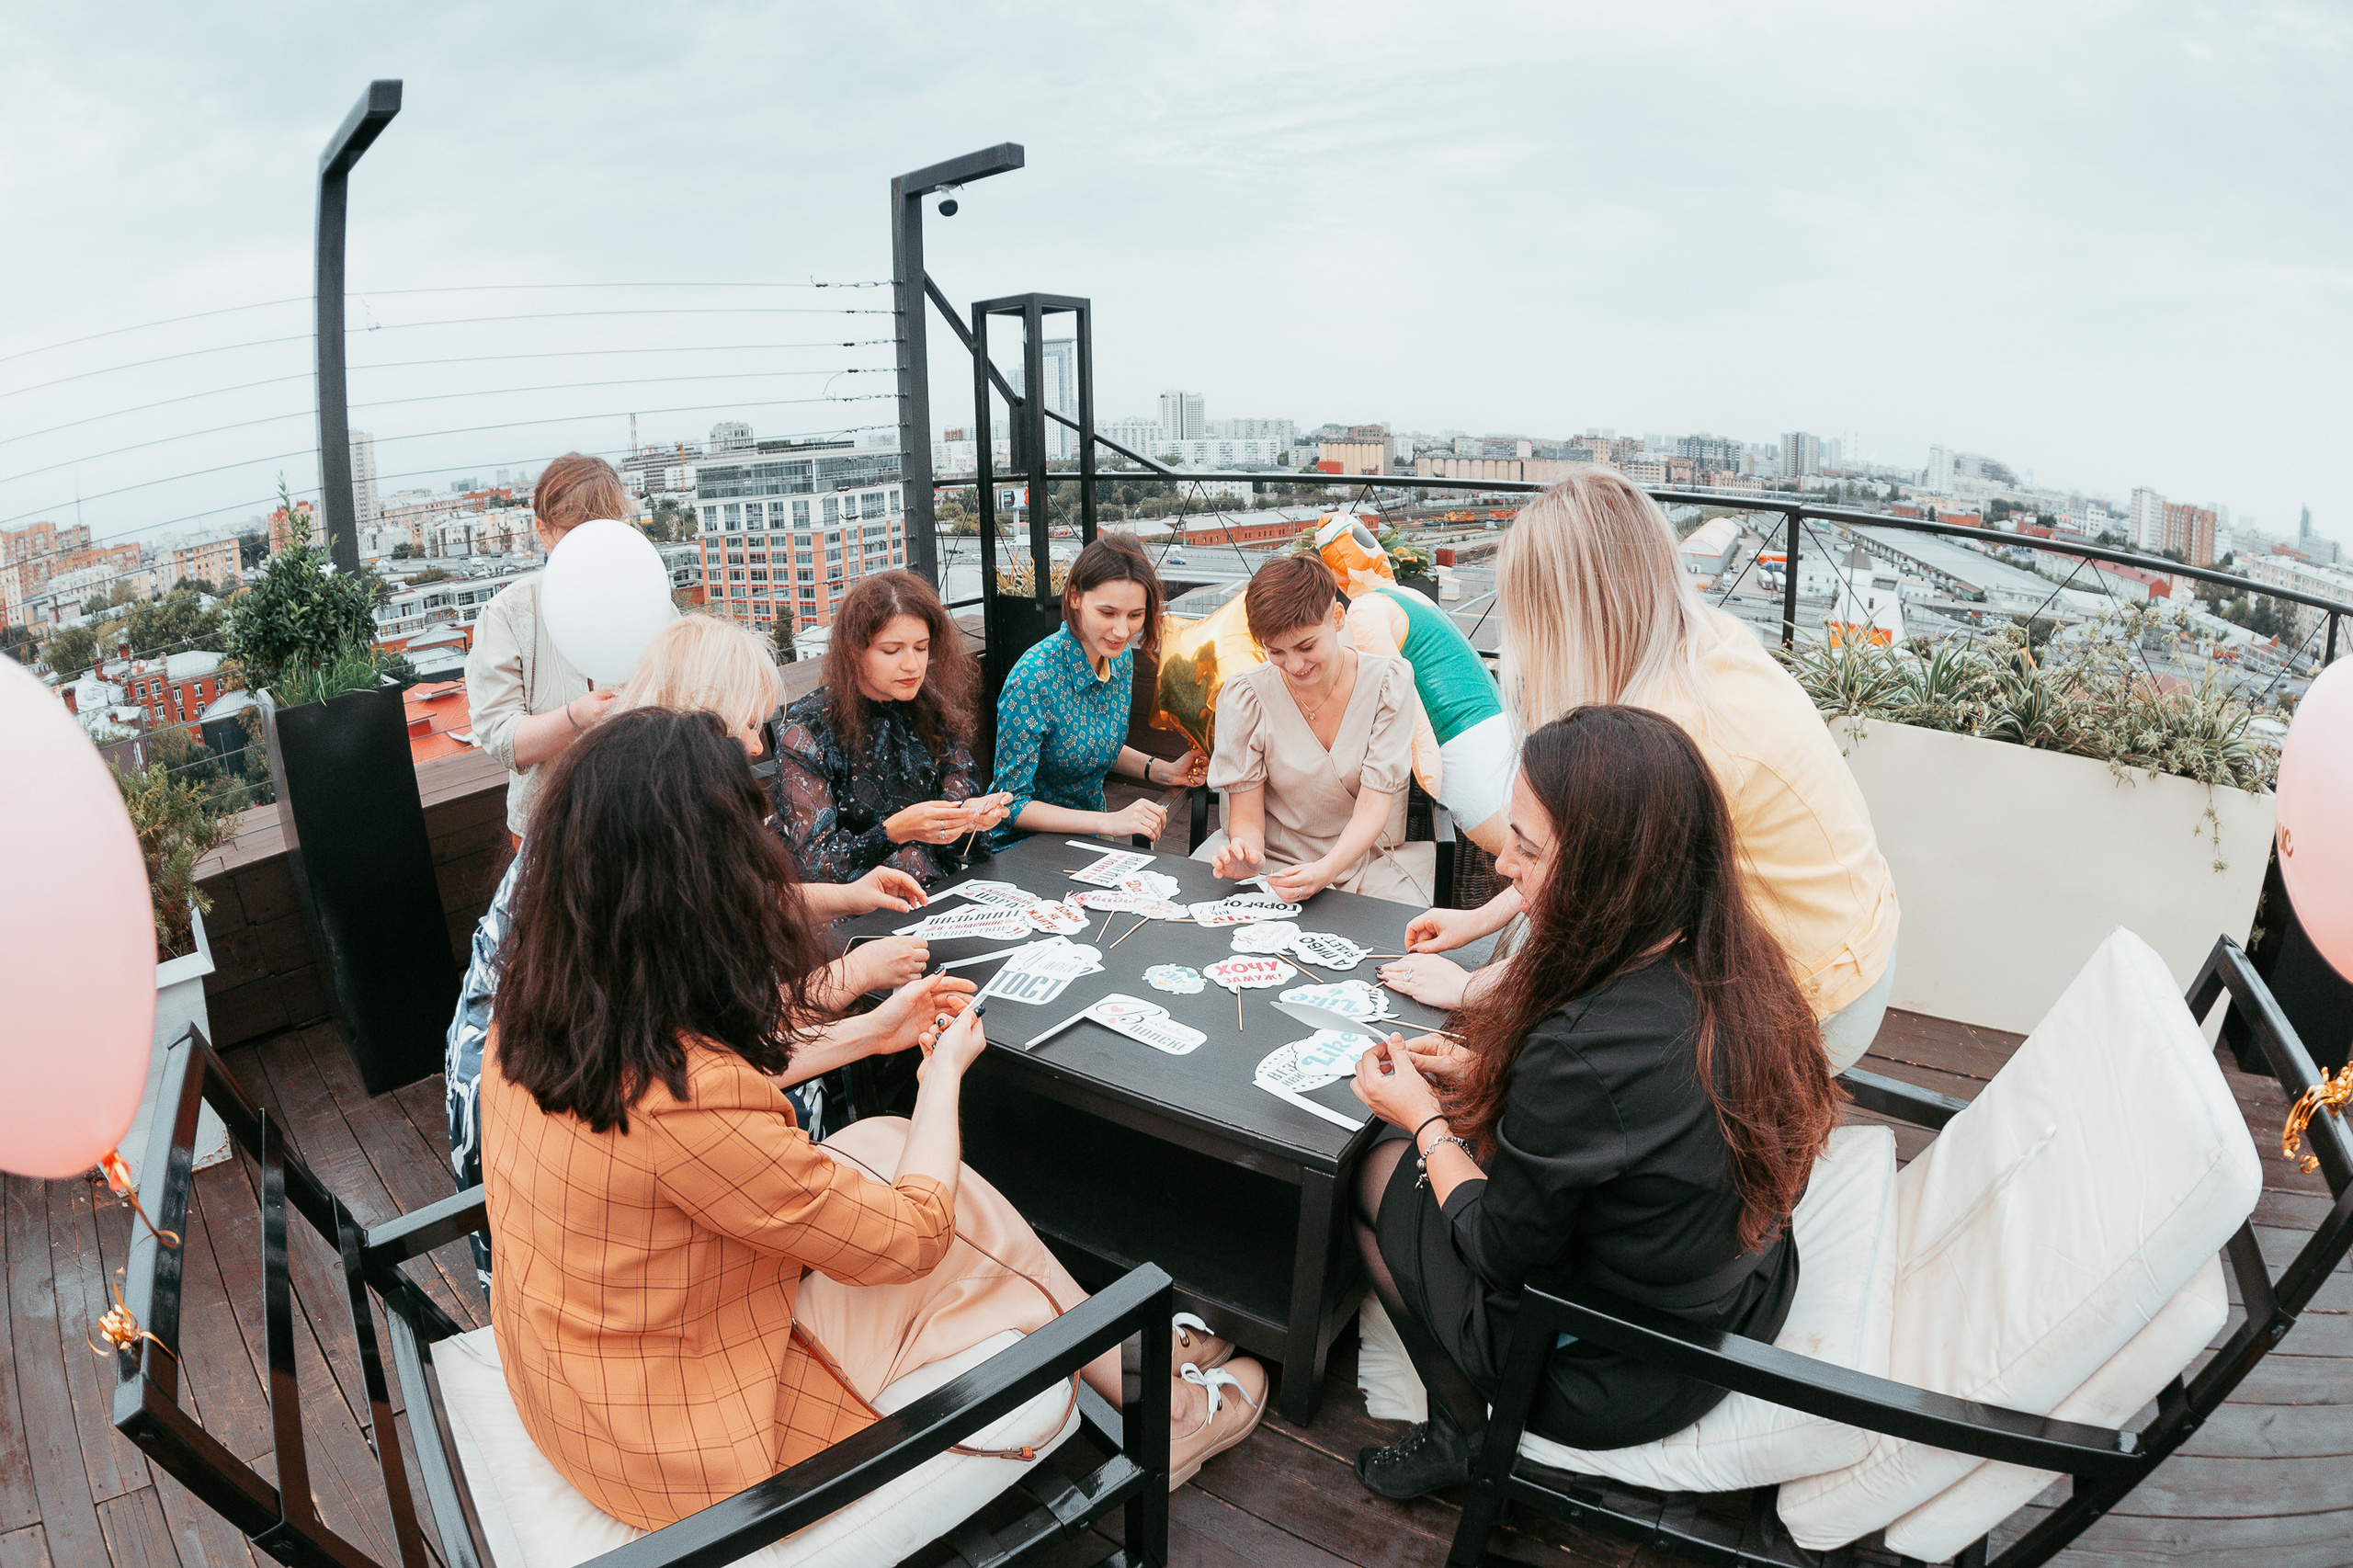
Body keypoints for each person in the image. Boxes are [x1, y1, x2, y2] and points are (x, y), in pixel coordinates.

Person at [481, 709, 1269, 1529]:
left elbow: (698, 1080)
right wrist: (940, 1079)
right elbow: (910, 1235)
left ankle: (1128, 1358)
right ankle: (1165, 1407)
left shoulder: (544, 1013)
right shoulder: (690, 1100)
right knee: (966, 1231)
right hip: (689, 1439)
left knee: (884, 1140)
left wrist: (872, 1032)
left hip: (584, 1377)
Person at [1347, 707, 1843, 1499]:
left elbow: (1501, 1253)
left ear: (1608, 871)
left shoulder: (1581, 1047)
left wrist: (1424, 1119)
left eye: (1527, 848)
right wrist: (1493, 1076)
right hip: (1741, 1291)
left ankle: (1460, 1431)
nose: (1501, 864)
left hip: (1619, 1364)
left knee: (1374, 1169)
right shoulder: (1737, 959)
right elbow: (1638, 1123)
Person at [444, 615, 945, 1287]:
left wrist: (847, 901)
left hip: (539, 1112)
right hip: (599, 1139)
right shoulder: (671, 1065)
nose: (757, 743)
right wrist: (907, 1043)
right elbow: (723, 1058)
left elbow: (727, 911)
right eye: (747, 724)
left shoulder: (612, 799)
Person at [1381, 469, 1899, 1071]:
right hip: (1850, 943)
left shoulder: (1667, 735)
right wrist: (1479, 920)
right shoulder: (1701, 644)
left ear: (1564, 615)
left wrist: (1473, 988)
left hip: (1811, 998)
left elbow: (1597, 927)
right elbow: (1568, 865)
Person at [1197, 552, 1433, 904]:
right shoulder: (1245, 696)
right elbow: (1246, 815)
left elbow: (1373, 808)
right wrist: (1248, 855)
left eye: (1306, 646)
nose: (1294, 665)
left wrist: (1325, 871)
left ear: (1337, 618)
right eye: (1276, 652)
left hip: (1364, 860)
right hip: (1273, 861)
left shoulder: (1388, 684)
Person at [467, 453, 676, 846]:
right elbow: (502, 737)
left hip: (646, 819)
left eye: (604, 530)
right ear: (542, 531)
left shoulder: (651, 601)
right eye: (576, 533)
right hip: (550, 833)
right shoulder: (509, 613)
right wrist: (576, 718)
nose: (591, 548)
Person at [775, 571, 1010, 888]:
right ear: (854, 649)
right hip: (862, 906)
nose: (912, 664)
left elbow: (961, 803)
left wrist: (968, 818)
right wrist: (894, 832)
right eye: (892, 650)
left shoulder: (929, 705)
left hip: (941, 891)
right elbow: (817, 864)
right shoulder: (808, 730)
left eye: (921, 648)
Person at [1314, 512, 1513, 856]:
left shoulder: (1366, 610)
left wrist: (1425, 762)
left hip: (1463, 746)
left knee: (1524, 854)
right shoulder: (1410, 595)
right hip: (1503, 724)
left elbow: (1399, 692)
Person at [994, 534, 1207, 846]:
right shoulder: (1033, 677)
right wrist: (1109, 821)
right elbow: (1008, 804)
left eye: (1135, 615)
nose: (1122, 631)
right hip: (1026, 848)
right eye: (1108, 613)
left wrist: (1164, 771)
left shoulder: (1119, 660)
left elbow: (1095, 745)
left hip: (1091, 839)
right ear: (1074, 597)